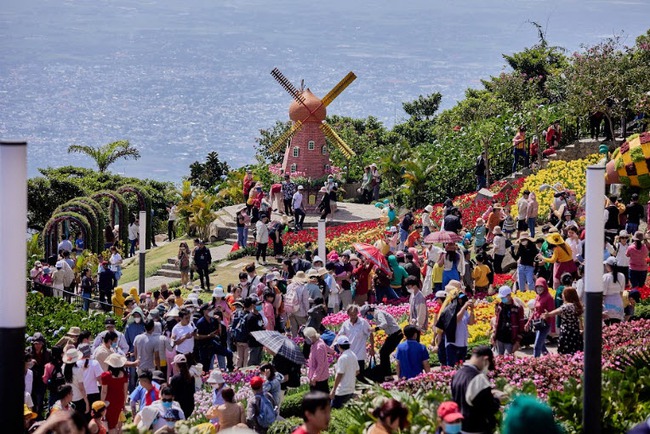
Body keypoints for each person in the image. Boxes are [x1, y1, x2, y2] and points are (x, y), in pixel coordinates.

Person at [450, 345, 501, 434]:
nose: (487, 369)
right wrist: (497, 399)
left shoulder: (458, 374)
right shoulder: (478, 378)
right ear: (485, 359)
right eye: (488, 365)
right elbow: (488, 407)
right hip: (476, 429)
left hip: (461, 428)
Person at [360, 304, 402, 380]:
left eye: (366, 315)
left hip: (396, 334)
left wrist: (374, 329)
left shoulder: (378, 313)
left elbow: (384, 324)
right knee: (383, 353)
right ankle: (386, 373)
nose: (367, 318)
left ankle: (387, 374)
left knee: (383, 353)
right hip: (393, 335)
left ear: (369, 312)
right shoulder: (377, 314)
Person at [336, 305, 374, 381]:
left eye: (354, 314)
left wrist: (372, 348)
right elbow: (340, 335)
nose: (353, 316)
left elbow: (370, 334)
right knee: (350, 373)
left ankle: (365, 389)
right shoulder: (346, 324)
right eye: (351, 314)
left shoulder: (363, 323)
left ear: (357, 313)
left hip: (360, 352)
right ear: (348, 314)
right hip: (349, 352)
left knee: (360, 373)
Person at [541, 287, 583, 355]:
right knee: (575, 352)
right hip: (575, 332)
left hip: (567, 333)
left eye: (563, 294)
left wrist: (548, 314)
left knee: (565, 352)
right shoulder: (577, 306)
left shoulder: (567, 306)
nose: (562, 296)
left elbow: (558, 311)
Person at [526, 277, 556, 357]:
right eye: (537, 287)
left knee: (537, 346)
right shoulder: (538, 296)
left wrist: (553, 329)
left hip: (545, 325)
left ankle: (535, 364)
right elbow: (535, 311)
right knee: (541, 346)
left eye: (541, 286)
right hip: (537, 324)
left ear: (545, 287)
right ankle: (549, 359)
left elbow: (552, 313)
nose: (539, 289)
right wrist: (528, 322)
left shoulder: (549, 298)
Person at [491, 286, 524, 355]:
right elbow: (497, 321)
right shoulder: (500, 306)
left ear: (509, 295)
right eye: (501, 298)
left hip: (510, 339)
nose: (502, 299)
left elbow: (521, 326)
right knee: (498, 358)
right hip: (499, 337)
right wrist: (493, 334)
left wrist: (518, 341)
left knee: (507, 359)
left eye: (503, 297)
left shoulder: (517, 307)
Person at [100, 353, 129, 433]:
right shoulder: (124, 375)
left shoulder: (105, 376)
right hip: (119, 400)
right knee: (118, 421)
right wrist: (124, 403)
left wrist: (102, 403)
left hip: (109, 401)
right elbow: (125, 391)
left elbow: (104, 391)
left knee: (111, 425)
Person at [330, 336, 359, 409]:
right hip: (350, 388)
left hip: (341, 390)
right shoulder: (353, 355)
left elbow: (339, 374)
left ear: (339, 346)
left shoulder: (342, 358)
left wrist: (333, 390)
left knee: (334, 410)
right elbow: (357, 371)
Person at [61, 347, 89, 417]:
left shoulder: (63, 367)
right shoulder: (78, 370)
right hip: (79, 398)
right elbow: (81, 388)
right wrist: (87, 402)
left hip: (68, 397)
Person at [303, 327, 331, 393]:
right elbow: (327, 348)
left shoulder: (319, 347)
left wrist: (314, 378)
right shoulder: (317, 342)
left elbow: (320, 365)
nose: (306, 340)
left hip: (319, 379)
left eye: (307, 337)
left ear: (312, 337)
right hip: (317, 377)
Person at [169, 354, 195, 418]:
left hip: (178, 407)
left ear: (177, 365)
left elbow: (172, 394)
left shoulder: (175, 378)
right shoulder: (191, 377)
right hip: (190, 406)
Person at [603, 256, 625, 325]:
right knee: (616, 328)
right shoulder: (622, 276)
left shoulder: (606, 277)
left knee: (606, 328)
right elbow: (621, 292)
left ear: (609, 266)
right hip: (618, 303)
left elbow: (603, 293)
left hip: (607, 304)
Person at [245, 297, 266, 366]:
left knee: (258, 362)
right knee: (252, 362)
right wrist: (257, 335)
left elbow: (261, 326)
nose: (259, 306)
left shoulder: (259, 315)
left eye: (260, 304)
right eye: (257, 304)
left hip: (260, 342)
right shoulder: (250, 317)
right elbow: (249, 331)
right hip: (253, 343)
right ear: (253, 305)